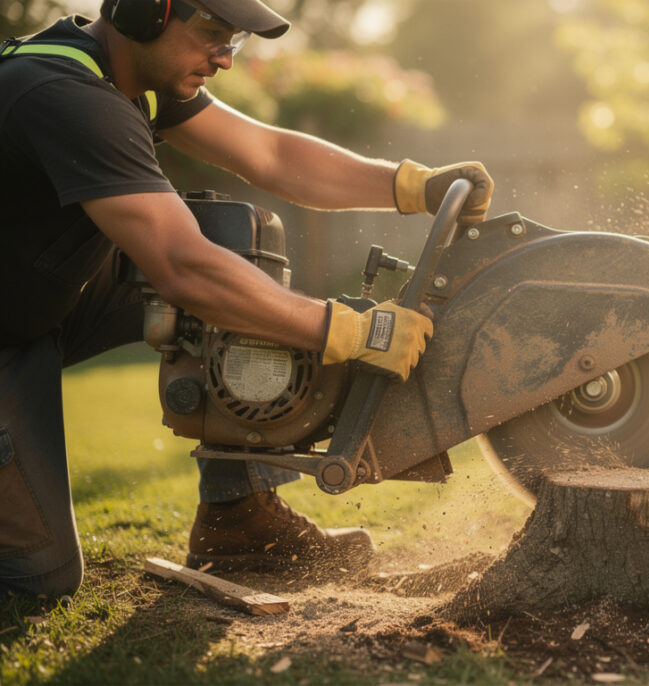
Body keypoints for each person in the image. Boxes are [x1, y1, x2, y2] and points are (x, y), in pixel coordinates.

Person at [0, 0, 494, 597]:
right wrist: (352, 333)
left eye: (233, 40)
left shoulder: (126, 76)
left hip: (40, 296)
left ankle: (237, 515)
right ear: (141, 13)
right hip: (14, 325)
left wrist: (411, 186)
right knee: (38, 580)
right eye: (211, 33)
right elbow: (183, 268)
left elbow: (273, 157)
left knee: (238, 235)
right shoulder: (65, 94)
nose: (226, 58)